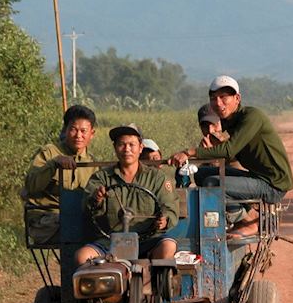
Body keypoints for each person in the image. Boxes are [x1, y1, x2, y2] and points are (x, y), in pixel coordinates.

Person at [170, 75, 293, 238]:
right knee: (199, 175)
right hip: (257, 177)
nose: (218, 103)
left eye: (223, 97)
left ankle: (250, 222)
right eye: (214, 98)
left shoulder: (252, 117)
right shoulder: (229, 121)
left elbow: (229, 150)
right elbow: (224, 149)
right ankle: (247, 216)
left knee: (212, 182)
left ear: (237, 98)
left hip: (273, 184)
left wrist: (189, 152)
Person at [75, 124, 178, 264]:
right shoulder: (101, 177)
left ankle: (154, 284)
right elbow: (87, 207)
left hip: (148, 239)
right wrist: (96, 199)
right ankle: (104, 285)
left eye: (131, 144)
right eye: (122, 144)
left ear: (140, 148)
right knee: (82, 256)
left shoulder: (157, 177)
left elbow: (169, 207)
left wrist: (164, 220)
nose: (127, 149)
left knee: (168, 247)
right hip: (111, 241)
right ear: (115, 147)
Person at [23, 105, 98, 244]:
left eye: (83, 131)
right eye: (73, 130)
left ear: (91, 134)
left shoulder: (92, 163)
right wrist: (54, 164)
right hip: (46, 220)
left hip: (77, 220)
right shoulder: (49, 153)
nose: (78, 136)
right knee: (76, 229)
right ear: (65, 129)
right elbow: (31, 184)